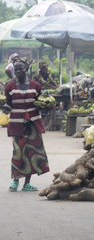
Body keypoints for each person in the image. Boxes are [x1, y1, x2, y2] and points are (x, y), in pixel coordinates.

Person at [4, 58, 50, 191]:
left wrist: (47, 107)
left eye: (20, 69)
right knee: (18, 151)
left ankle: (27, 184)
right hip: (17, 124)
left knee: (33, 152)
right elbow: (9, 103)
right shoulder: (9, 87)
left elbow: (39, 102)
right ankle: (15, 181)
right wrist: (5, 108)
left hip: (33, 123)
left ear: (26, 70)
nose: (18, 71)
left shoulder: (36, 86)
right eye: (16, 69)